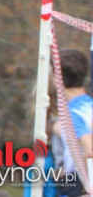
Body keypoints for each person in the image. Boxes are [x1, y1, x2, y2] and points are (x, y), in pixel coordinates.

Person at [53, 48, 92, 197]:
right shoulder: (88, 105)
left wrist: (85, 188)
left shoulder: (73, 113)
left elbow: (90, 150)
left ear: (57, 77)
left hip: (76, 185)